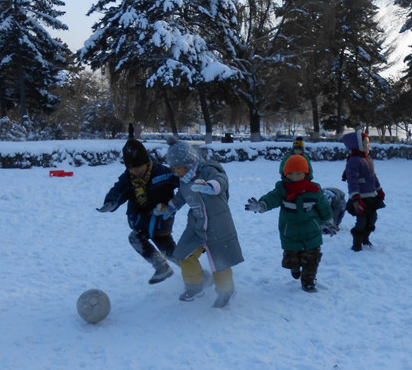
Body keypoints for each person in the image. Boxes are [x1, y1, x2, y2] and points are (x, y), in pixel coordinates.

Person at [154, 136, 244, 308]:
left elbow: (221, 180)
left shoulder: (207, 169)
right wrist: (168, 208)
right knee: (184, 255)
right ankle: (195, 286)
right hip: (196, 224)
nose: (176, 173)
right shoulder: (184, 181)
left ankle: (226, 291)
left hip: (218, 223)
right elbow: (180, 198)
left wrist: (209, 186)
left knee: (219, 261)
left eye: (178, 168)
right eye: (173, 169)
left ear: (188, 162)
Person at [245, 155, 333, 292]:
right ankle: (294, 267)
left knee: (311, 260)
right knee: (292, 259)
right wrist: (262, 205)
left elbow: (324, 207)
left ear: (306, 173)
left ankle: (308, 282)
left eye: (298, 173)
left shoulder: (314, 190)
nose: (294, 177)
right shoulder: (282, 189)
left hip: (311, 232)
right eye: (290, 174)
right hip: (290, 232)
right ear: (285, 174)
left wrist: (328, 221)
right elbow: (272, 198)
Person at [97, 139, 179, 284]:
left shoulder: (163, 173)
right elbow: (117, 190)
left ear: (147, 161)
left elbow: (182, 180)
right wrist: (111, 202)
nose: (136, 171)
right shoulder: (127, 179)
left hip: (161, 220)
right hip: (142, 221)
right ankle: (163, 267)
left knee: (166, 248)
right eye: (132, 169)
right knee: (138, 239)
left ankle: (194, 272)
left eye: (139, 167)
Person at [341, 129, 385, 251]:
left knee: (372, 218)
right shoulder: (354, 161)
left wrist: (379, 189)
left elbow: (373, 176)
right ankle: (357, 242)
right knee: (362, 220)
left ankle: (365, 237)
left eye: (368, 143)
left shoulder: (368, 159)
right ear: (358, 145)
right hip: (360, 198)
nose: (368, 146)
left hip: (371, 196)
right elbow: (352, 181)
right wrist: (355, 197)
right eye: (365, 143)